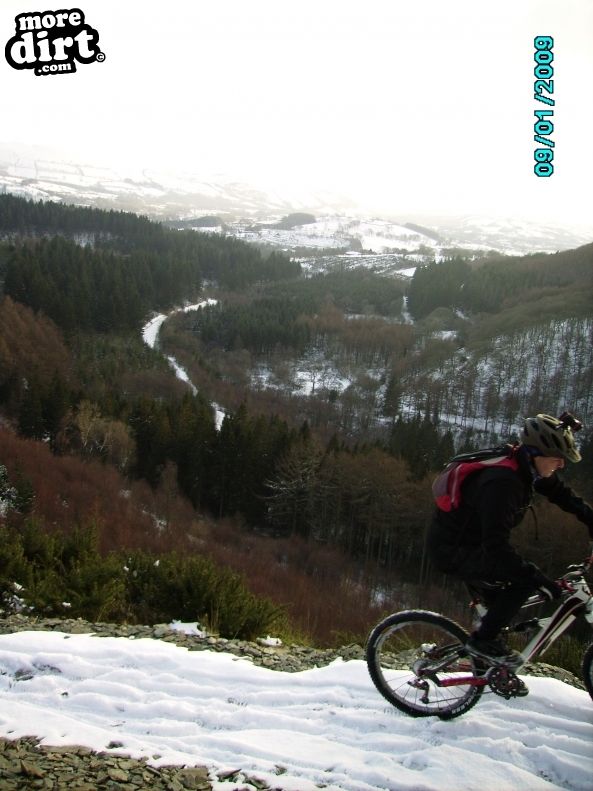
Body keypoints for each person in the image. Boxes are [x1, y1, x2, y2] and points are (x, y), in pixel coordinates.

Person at [427, 412, 593, 666]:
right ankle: (482, 644)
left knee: (503, 603)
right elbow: (496, 546)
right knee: (522, 582)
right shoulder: (503, 484)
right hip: (453, 550)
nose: (561, 465)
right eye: (557, 459)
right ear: (536, 454)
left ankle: (483, 663)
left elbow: (562, 494)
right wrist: (535, 577)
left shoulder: (527, 467)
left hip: (471, 544)